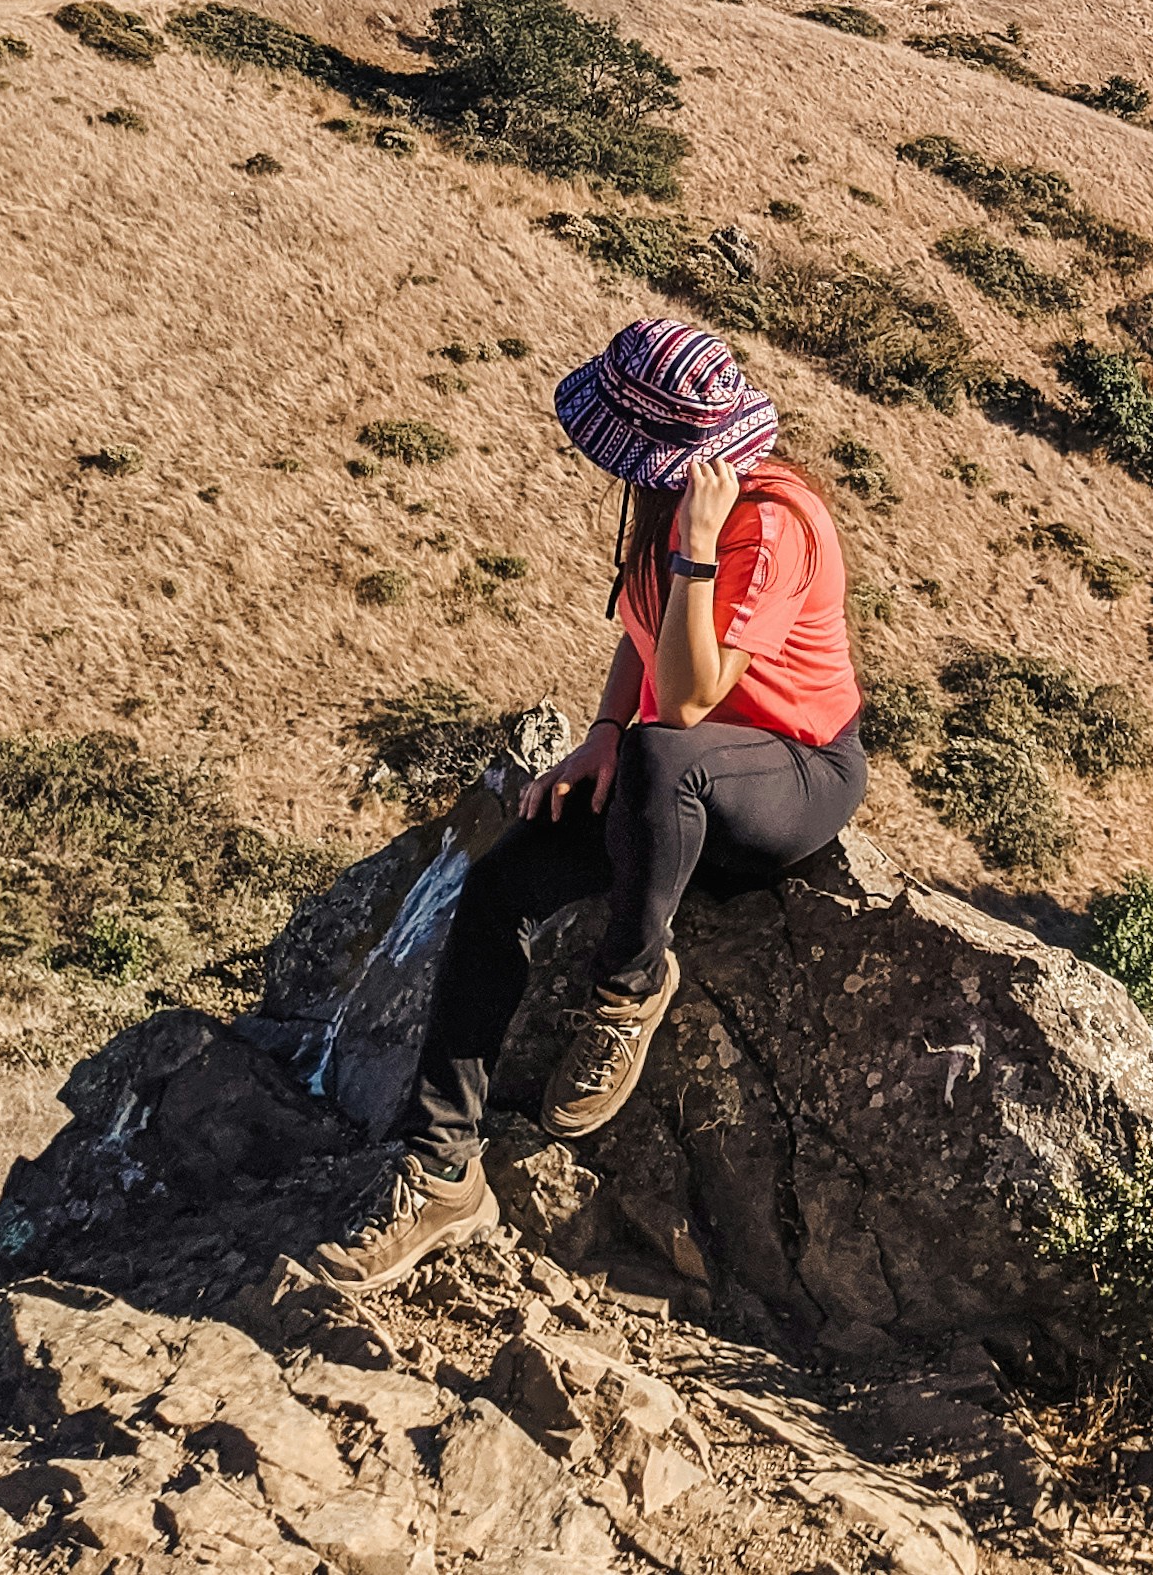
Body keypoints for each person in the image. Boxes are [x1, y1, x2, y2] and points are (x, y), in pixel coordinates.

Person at [317, 314, 867, 1293]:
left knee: (669, 752)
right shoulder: (669, 507)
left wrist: (698, 551)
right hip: (665, 779)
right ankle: (442, 1171)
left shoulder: (768, 522)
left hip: (790, 776)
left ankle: (630, 982)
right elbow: (641, 636)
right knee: (500, 879)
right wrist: (607, 730)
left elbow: (693, 693)